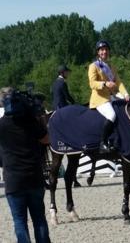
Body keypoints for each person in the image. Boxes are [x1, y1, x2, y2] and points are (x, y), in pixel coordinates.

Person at [0, 89, 51, 243]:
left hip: (13, 179)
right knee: (39, 219)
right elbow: (47, 140)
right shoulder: (30, 122)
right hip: (34, 176)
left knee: (20, 221)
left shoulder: (1, 125)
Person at [88, 40, 130, 154]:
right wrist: (104, 83)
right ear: (98, 52)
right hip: (99, 99)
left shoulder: (111, 66)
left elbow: (119, 82)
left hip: (112, 96)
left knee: (125, 109)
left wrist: (125, 94)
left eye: (106, 49)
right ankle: (103, 143)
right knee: (111, 115)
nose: (104, 52)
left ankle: (119, 140)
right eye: (102, 50)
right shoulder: (93, 66)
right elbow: (92, 83)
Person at [51, 65, 81, 187]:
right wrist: (75, 104)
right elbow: (67, 96)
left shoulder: (54, 83)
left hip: (55, 108)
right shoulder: (62, 83)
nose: (68, 74)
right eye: (67, 72)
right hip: (61, 108)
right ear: (63, 73)